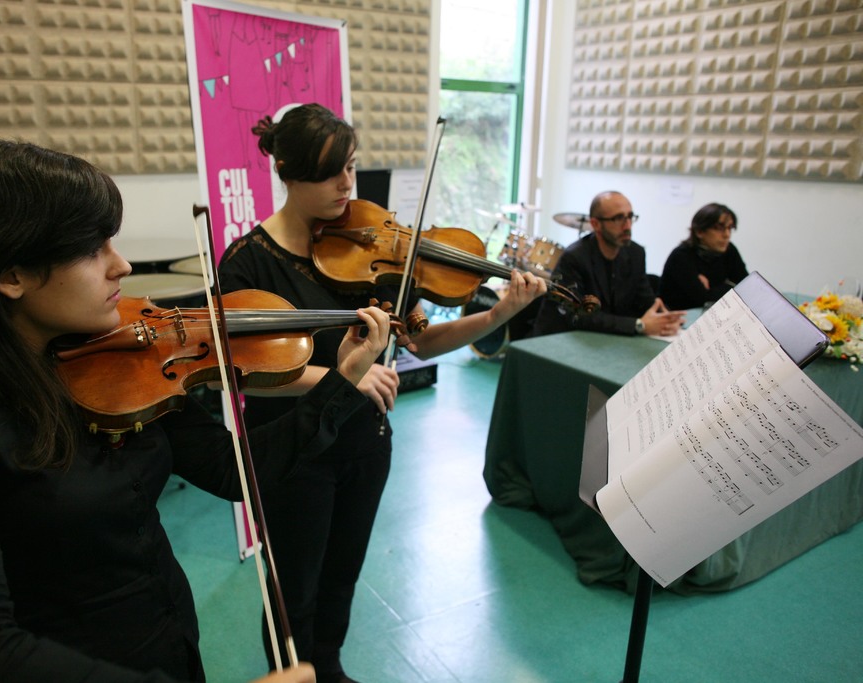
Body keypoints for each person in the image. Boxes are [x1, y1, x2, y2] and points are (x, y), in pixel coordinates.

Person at [0, 138, 398, 683]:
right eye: (92, 249)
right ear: (11, 276)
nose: (120, 265)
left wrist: (342, 380)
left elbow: (231, 469)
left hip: (172, 648)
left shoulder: (127, 363)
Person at [216, 103, 547, 683]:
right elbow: (245, 371)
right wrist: (343, 378)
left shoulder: (367, 249)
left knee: (341, 575)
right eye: (330, 173)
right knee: (293, 586)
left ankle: (330, 668)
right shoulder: (248, 264)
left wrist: (497, 316)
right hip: (294, 452)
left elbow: (421, 339)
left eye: (350, 166)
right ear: (288, 173)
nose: (347, 184)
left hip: (366, 443)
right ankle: (293, 675)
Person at [531, 190, 686, 337]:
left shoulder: (636, 253)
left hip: (605, 338)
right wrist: (638, 325)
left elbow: (644, 301)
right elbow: (578, 315)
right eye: (618, 218)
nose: (627, 226)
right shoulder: (574, 257)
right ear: (596, 224)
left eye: (630, 217)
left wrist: (664, 318)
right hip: (559, 340)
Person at [659, 202, 748, 310]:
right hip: (681, 315)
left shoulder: (729, 250)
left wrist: (718, 288)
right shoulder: (681, 256)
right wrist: (731, 287)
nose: (727, 234)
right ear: (699, 231)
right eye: (719, 228)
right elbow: (703, 300)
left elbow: (747, 287)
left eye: (729, 228)